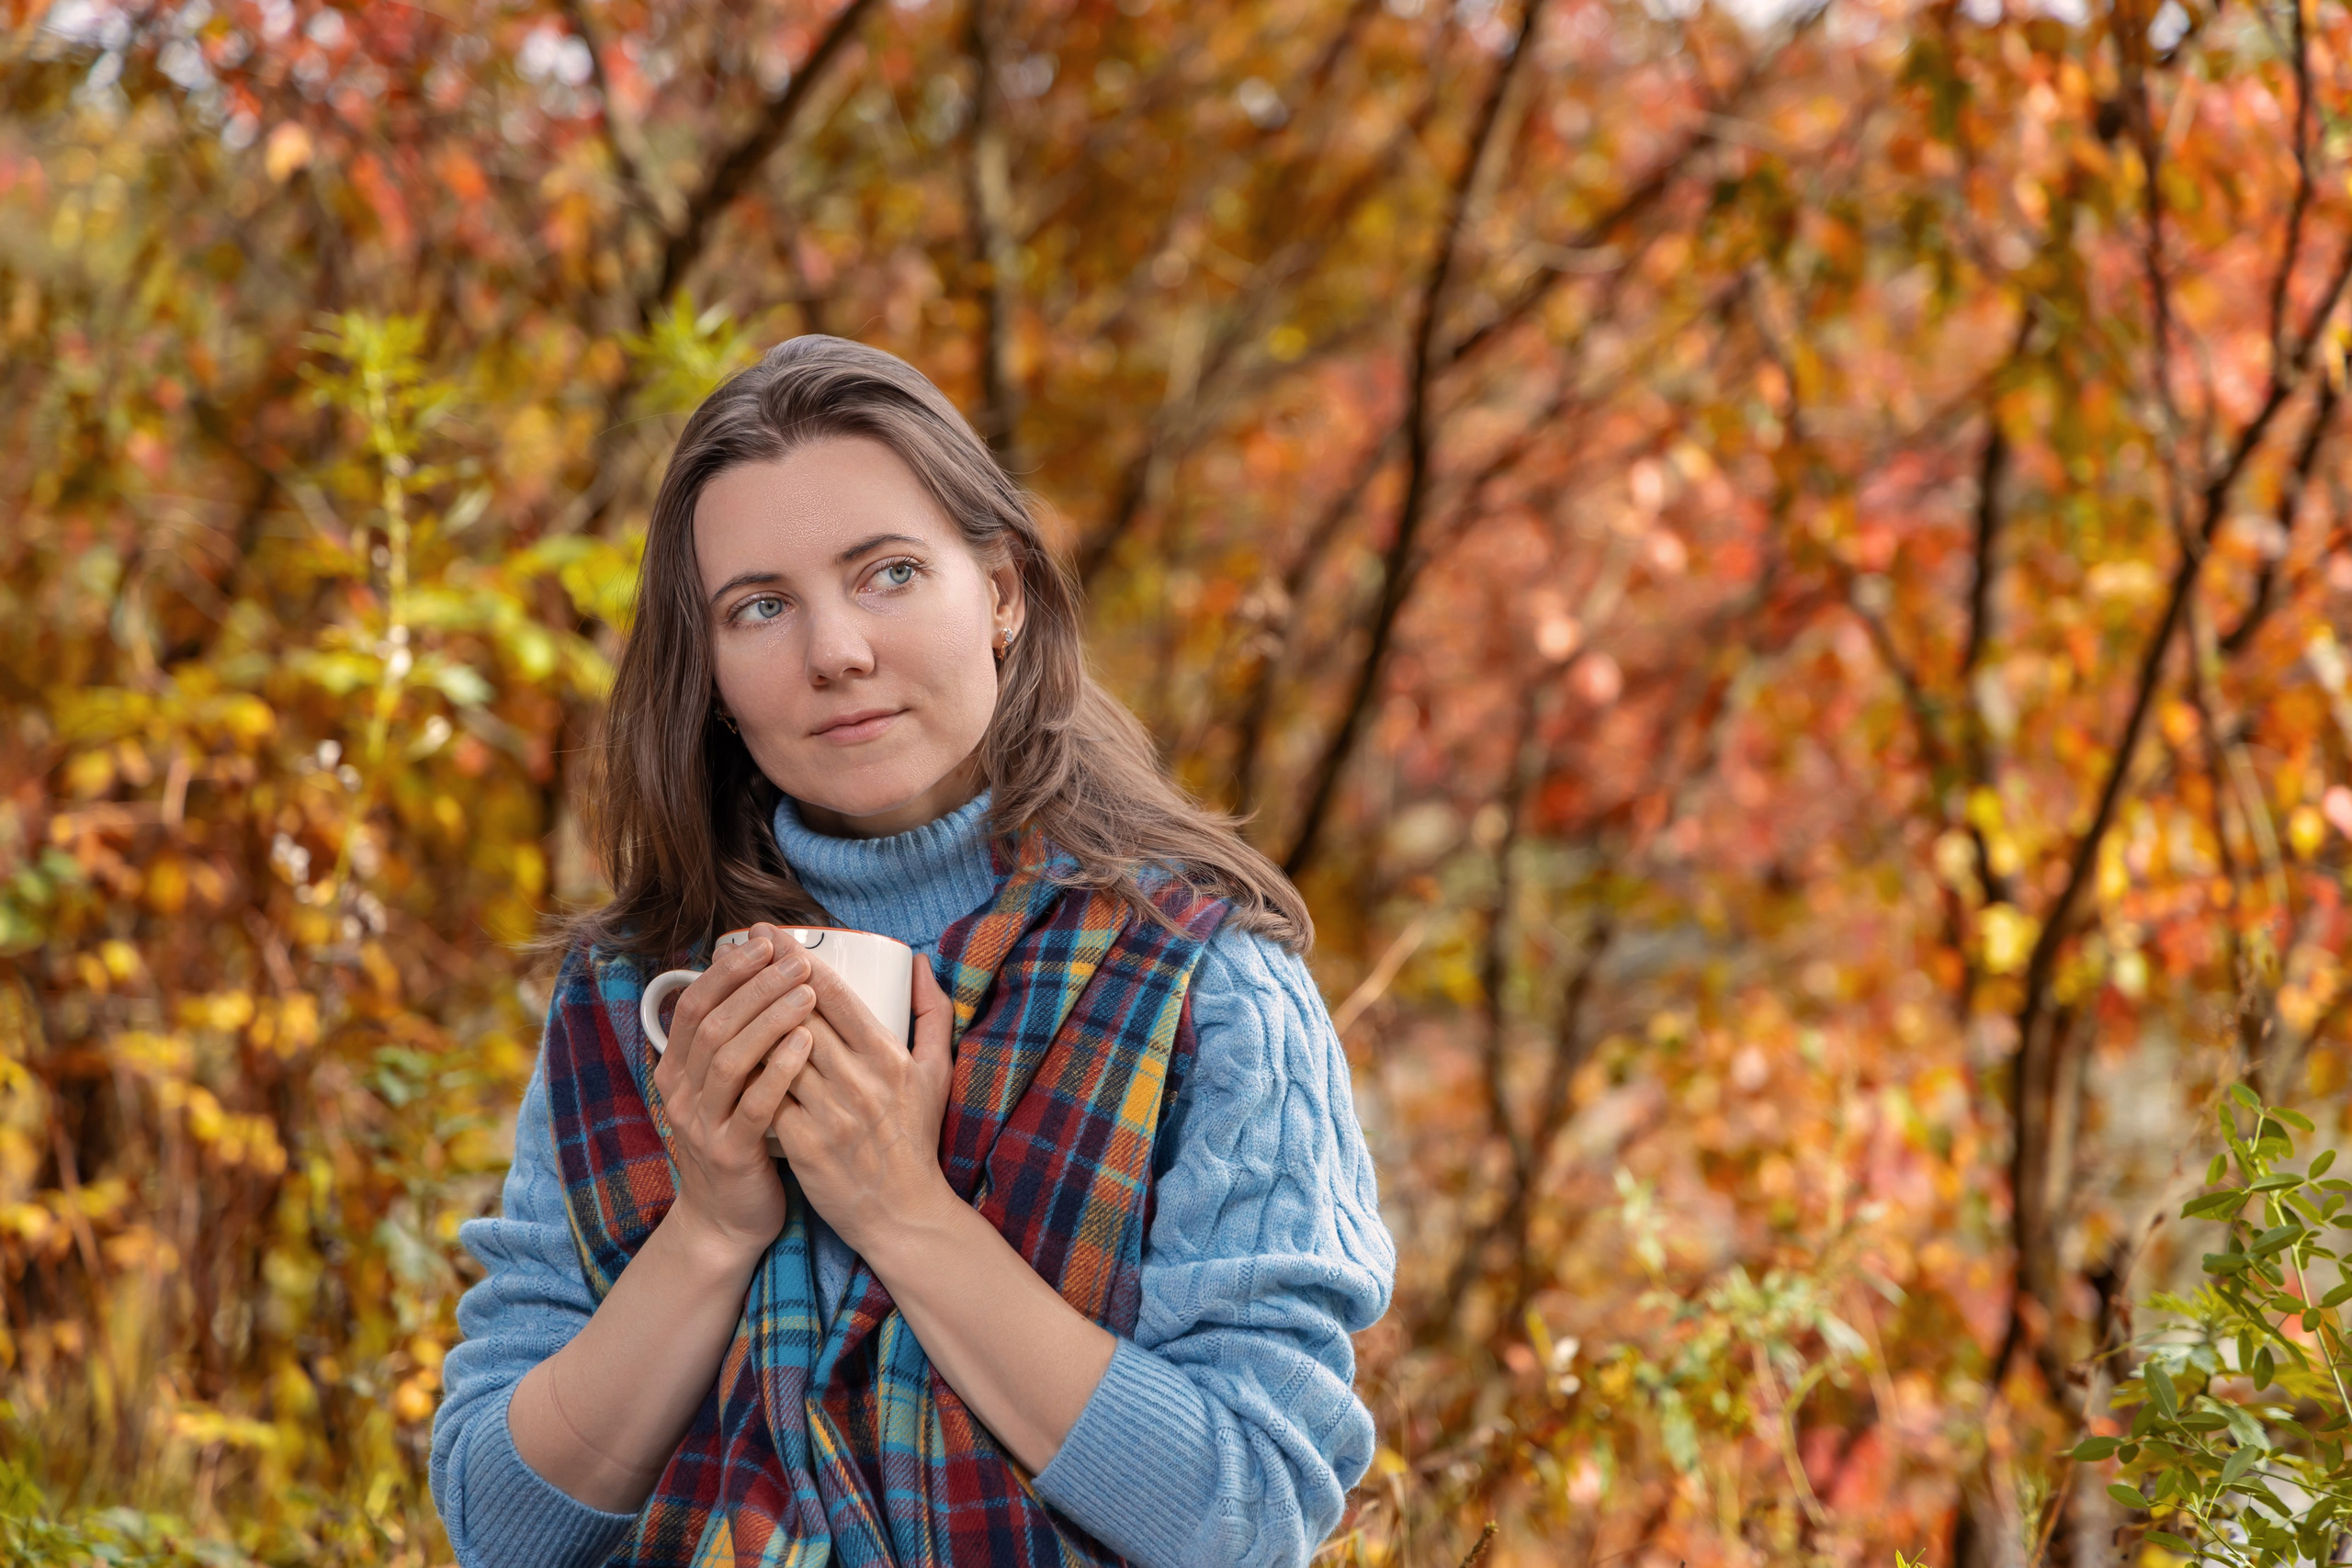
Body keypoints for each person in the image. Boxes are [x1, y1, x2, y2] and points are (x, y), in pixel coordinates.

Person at [427, 335, 1395, 1567]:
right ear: (712, 672)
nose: (835, 651)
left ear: (1002, 592)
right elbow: (501, 1528)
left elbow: (1249, 1514)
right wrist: (711, 1228)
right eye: (760, 607)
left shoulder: (1208, 988)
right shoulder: (635, 1000)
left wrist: (903, 1213)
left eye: (888, 573)